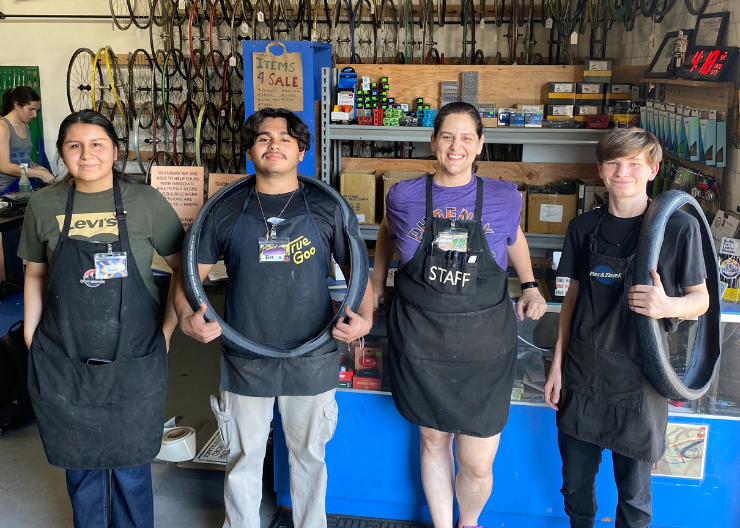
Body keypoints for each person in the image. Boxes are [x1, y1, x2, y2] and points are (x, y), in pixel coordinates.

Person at [174, 107, 374, 528]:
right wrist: (185, 315)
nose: (274, 144)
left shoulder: (326, 206)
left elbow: (360, 270)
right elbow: (189, 272)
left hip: (312, 354)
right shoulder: (225, 210)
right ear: (250, 150)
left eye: (285, 138)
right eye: (263, 138)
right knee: (244, 458)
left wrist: (366, 316)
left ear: (302, 150)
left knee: (308, 458)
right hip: (246, 357)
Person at [373, 101, 547, 528]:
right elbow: (385, 231)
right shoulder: (404, 194)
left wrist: (528, 283)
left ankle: (468, 523)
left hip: (484, 343)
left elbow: (514, 237)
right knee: (433, 440)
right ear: (433, 142)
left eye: (466, 137)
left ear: (480, 144)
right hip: (421, 337)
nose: (456, 146)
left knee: (477, 462)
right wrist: (376, 284)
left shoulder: (505, 196)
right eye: (447, 136)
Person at [20, 109, 184, 528]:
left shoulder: (144, 201)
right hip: (64, 355)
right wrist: (31, 335)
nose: (86, 154)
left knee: (131, 464)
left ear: (114, 151)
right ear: (61, 153)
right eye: (74, 145)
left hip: (134, 355)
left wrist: (166, 331)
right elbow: (36, 272)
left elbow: (184, 267)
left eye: (97, 144)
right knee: (80, 462)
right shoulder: (44, 204)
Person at [543, 127, 710, 528]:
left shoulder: (678, 228)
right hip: (583, 373)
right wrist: (557, 364)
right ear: (601, 170)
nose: (624, 172)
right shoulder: (582, 227)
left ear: (653, 170)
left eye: (635, 164)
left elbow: (701, 301)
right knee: (575, 484)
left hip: (639, 381)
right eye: (614, 163)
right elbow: (572, 298)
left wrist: (667, 304)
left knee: (634, 495)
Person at [1, 86, 55, 192]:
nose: (34, 115)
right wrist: (39, 173)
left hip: (23, 181)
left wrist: (40, 168)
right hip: (5, 188)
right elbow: (3, 166)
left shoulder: (25, 126)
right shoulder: (2, 128)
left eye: (36, 110)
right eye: (31, 109)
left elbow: (22, 157)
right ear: (17, 105)